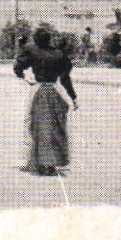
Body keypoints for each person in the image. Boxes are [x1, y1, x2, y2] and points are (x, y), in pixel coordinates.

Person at [14, 27, 77, 176]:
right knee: (55, 126)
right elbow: (65, 78)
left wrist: (24, 77)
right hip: (55, 90)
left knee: (35, 125)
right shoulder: (59, 54)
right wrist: (73, 97)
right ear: (49, 40)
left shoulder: (32, 51)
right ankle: (52, 162)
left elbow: (17, 66)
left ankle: (39, 162)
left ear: (36, 40)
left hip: (39, 90)